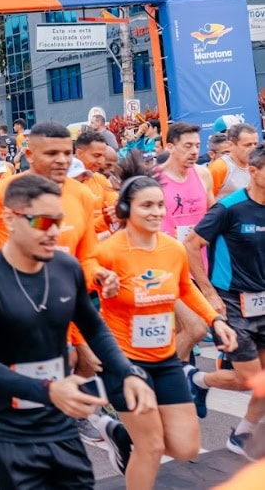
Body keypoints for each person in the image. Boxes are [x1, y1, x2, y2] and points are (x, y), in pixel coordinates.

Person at [0, 174, 156, 489]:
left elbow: (91, 324)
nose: (53, 231)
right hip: (8, 429)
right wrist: (49, 390)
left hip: (59, 422)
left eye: (58, 221)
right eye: (42, 222)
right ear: (10, 218)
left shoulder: (67, 268)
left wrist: (126, 372)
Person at [0, 122, 120, 441]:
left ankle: (64, 425)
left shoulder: (82, 196)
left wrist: (99, 273)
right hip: (7, 308)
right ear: (29, 154)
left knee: (74, 366)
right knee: (11, 391)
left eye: (66, 153)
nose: (61, 160)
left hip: (57, 304)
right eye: (52, 153)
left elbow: (85, 257)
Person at [92, 153, 237, 486]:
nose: (157, 212)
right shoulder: (108, 253)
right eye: (146, 206)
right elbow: (77, 301)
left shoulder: (171, 249)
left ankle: (121, 433)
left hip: (165, 359)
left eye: (160, 205)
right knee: (152, 446)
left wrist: (215, 321)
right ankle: (136, 437)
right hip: (124, 362)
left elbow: (185, 289)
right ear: (126, 209)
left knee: (186, 447)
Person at [184, 144, 265, 457]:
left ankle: (241, 435)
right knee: (250, 380)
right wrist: (208, 293)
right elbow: (191, 245)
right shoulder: (229, 208)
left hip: (262, 301)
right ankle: (197, 378)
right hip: (230, 302)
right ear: (253, 171)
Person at [157, 122, 217, 362]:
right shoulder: (154, 177)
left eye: (197, 145)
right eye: (187, 146)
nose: (194, 151)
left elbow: (212, 216)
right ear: (170, 147)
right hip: (168, 265)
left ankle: (179, 378)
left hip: (199, 264)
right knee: (194, 327)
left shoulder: (203, 174)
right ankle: (176, 376)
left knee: (191, 329)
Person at [209, 123, 258, 198]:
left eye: (255, 144)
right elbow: (207, 200)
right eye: (247, 145)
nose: (253, 149)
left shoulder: (259, 165)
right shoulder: (219, 168)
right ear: (231, 145)